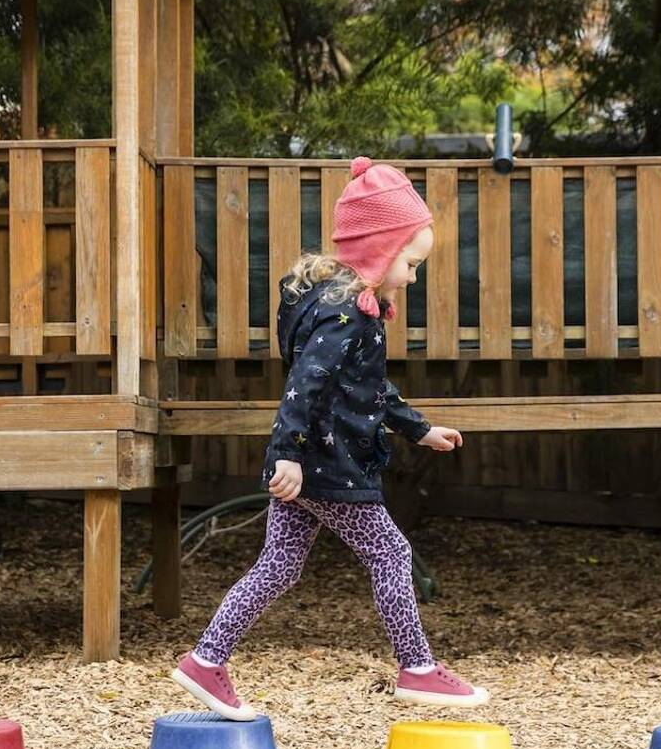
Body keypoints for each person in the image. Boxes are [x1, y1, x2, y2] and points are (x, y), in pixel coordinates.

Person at [171, 157, 488, 720]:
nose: (412, 277)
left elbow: (362, 387)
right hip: (327, 464)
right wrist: (285, 454)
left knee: (280, 566)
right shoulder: (348, 314)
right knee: (392, 552)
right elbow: (306, 382)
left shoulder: (336, 304)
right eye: (410, 263)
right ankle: (416, 668)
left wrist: (418, 428)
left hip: (313, 461)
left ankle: (205, 659)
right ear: (378, 248)